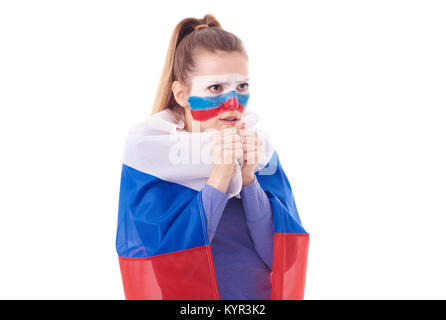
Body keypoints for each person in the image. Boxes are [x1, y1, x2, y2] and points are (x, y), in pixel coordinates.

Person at [116, 14, 309, 300]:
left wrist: (247, 179)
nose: (233, 103)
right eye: (215, 88)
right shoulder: (152, 156)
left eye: (242, 87)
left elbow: (283, 258)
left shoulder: (260, 151)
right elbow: (169, 267)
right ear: (182, 94)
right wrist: (219, 177)